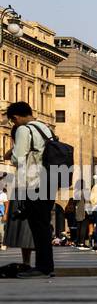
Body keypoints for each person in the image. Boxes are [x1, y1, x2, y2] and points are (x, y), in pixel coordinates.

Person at [3, 102, 56, 278]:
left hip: (34, 183)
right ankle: (46, 266)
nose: (13, 124)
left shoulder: (24, 130)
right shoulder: (44, 128)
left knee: (37, 226)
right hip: (50, 181)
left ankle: (43, 267)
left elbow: (19, 158)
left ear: (16, 118)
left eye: (12, 121)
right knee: (43, 225)